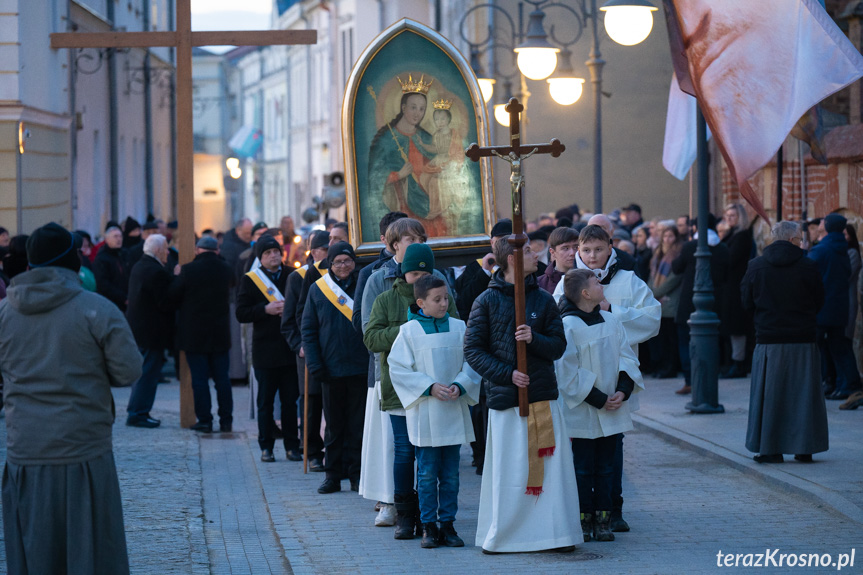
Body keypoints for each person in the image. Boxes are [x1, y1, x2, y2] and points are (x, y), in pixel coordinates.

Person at [0, 223, 141, 574]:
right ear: (73, 261)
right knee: (90, 552)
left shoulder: (4, 313)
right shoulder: (97, 309)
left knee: (35, 552)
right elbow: (128, 371)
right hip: (83, 449)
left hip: (26, 449)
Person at [465, 236, 579, 554]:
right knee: (511, 470)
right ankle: (506, 535)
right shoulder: (485, 302)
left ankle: (554, 533)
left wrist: (534, 339)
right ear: (512, 259)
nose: (535, 255)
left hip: (542, 396)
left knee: (550, 471)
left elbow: (558, 345)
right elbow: (473, 350)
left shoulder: (543, 300)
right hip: (506, 402)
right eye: (528, 251)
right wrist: (508, 375)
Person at [552, 224, 660, 534]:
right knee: (586, 460)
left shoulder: (627, 280)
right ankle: (586, 514)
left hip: (616, 382)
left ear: (610, 248)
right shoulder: (568, 283)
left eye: (598, 249)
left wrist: (613, 310)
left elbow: (652, 318)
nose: (592, 255)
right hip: (585, 395)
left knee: (612, 452)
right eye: (586, 250)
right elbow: (563, 341)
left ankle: (613, 509)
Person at [364, 243, 459, 539]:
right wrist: (408, 328)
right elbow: (371, 338)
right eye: (414, 272)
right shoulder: (385, 299)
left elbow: (456, 332)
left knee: (433, 457)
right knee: (405, 452)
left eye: (425, 272)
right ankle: (406, 514)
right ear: (403, 273)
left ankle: (435, 517)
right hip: (399, 390)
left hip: (438, 391)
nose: (419, 278)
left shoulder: (443, 296)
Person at [388, 275, 481, 549]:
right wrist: (428, 387)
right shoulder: (409, 331)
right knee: (427, 473)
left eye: (446, 298)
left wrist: (460, 385)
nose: (443, 304)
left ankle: (448, 524)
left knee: (451, 473)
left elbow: (472, 361)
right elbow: (398, 369)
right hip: (427, 412)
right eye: (437, 300)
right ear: (421, 303)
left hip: (452, 408)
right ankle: (428, 525)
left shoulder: (459, 327)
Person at [555, 269, 642, 542]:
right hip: (584, 409)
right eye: (596, 282)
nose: (601, 284)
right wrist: (599, 399)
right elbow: (567, 372)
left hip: (613, 405)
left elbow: (627, 357)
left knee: (607, 467)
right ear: (584, 293)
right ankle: (584, 518)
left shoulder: (611, 320)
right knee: (582, 468)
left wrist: (623, 391)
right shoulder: (568, 326)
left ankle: (605, 518)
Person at [741, 221, 828, 463]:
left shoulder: (755, 266)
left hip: (769, 339)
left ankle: (770, 449)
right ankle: (804, 448)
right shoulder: (808, 266)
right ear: (792, 240)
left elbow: (746, 302)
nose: (801, 242)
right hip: (803, 339)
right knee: (804, 396)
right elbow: (819, 300)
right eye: (800, 239)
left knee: (770, 396)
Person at [352, 211, 408, 527]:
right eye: (405, 238)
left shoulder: (430, 275)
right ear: (388, 240)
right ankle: (388, 499)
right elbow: (364, 325)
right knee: (389, 442)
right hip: (385, 372)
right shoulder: (374, 275)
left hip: (424, 373)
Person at [302, 241, 368, 494]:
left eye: (348, 261)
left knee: (357, 425)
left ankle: (356, 474)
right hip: (330, 368)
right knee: (333, 425)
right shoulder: (318, 289)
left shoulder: (363, 285)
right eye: (338, 261)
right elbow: (308, 329)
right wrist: (315, 363)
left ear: (354, 262)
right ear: (330, 263)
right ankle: (332, 474)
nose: (343, 266)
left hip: (360, 367)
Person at [236, 234, 301, 462]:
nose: (273, 255)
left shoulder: (292, 275)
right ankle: (266, 447)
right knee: (264, 402)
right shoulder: (251, 280)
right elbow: (241, 313)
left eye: (276, 251)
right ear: (260, 258)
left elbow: (301, 306)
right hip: (264, 349)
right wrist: (265, 309)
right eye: (267, 253)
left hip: (288, 348)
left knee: (290, 401)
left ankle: (292, 446)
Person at [167, 236, 234, 433]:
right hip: (220, 333)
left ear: (197, 250)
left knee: (199, 379)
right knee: (222, 379)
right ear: (217, 251)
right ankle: (226, 421)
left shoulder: (188, 270)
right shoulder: (226, 269)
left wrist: (176, 276)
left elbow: (172, 296)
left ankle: (205, 421)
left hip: (194, 334)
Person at [368, 76, 447, 237]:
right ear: (403, 108)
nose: (418, 113)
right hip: (402, 208)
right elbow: (374, 179)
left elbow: (437, 165)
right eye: (413, 107)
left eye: (421, 108)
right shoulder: (386, 139)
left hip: (429, 205)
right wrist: (398, 175)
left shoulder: (426, 138)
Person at [280, 234, 327, 473]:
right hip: (308, 350)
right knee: (311, 403)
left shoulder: (341, 273)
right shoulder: (298, 277)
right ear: (313, 252)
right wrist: (298, 344)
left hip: (333, 349)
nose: (328, 253)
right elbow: (289, 320)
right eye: (324, 249)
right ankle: (313, 452)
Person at [671, 216, 730, 394]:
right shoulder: (723, 248)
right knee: (712, 341)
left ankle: (690, 380)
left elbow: (676, 267)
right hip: (715, 300)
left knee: (685, 342)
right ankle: (710, 376)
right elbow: (726, 274)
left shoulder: (690, 247)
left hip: (690, 300)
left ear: (695, 227)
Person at [808, 213, 862, 401]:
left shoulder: (823, 249)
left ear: (828, 226)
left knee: (819, 348)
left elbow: (807, 272)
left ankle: (843, 384)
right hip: (838, 306)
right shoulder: (840, 248)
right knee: (838, 347)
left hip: (823, 307)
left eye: (823, 221)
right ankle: (844, 384)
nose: (820, 223)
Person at [125, 233, 173, 428]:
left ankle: (137, 411)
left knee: (144, 371)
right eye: (166, 249)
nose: (168, 252)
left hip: (139, 328)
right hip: (151, 331)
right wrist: (177, 280)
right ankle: (138, 413)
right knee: (147, 373)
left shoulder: (140, 265)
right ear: (158, 250)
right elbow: (165, 302)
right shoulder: (156, 271)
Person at [718, 203, 755, 378]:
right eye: (727, 215)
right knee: (730, 328)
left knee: (736, 327)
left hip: (736, 287)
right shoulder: (732, 234)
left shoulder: (742, 236)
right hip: (728, 287)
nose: (729, 218)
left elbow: (730, 259)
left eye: (733, 215)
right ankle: (732, 362)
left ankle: (739, 364)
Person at [648, 223, 684, 378]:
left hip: (670, 299)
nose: (668, 239)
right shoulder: (657, 253)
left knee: (671, 339)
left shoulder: (678, 254)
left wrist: (655, 292)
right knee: (660, 338)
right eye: (665, 236)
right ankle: (662, 366)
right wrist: (650, 292)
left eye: (671, 236)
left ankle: (671, 367)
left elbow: (674, 278)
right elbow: (652, 274)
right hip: (657, 301)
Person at [221, 218, 253, 381]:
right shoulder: (229, 247)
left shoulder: (245, 245)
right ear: (238, 231)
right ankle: (236, 374)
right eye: (246, 233)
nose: (249, 236)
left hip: (242, 295)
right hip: (234, 296)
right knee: (236, 336)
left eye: (250, 233)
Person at [93, 225, 129, 311]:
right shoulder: (101, 258)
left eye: (120, 236)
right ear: (107, 239)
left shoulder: (124, 254)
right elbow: (103, 284)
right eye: (115, 236)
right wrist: (123, 297)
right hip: (110, 302)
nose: (119, 239)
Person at [538, 226, 578, 294]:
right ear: (552, 252)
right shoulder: (540, 284)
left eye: (576, 247)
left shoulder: (590, 279)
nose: (572, 253)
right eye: (565, 248)